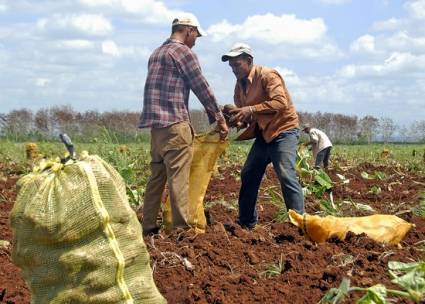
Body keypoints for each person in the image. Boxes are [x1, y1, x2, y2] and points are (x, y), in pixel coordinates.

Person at [139, 15, 229, 234]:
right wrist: (219, 118)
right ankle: (181, 230)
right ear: (188, 30)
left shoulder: (156, 53)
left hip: (156, 128)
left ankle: (148, 226)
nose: (196, 40)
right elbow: (201, 87)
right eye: (196, 35)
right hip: (175, 125)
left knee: (156, 178)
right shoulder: (183, 53)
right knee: (178, 178)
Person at [222, 43, 304, 229]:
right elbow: (248, 117)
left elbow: (280, 102)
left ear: (249, 61)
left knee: (285, 173)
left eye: (237, 64)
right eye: (231, 66)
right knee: (249, 173)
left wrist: (250, 109)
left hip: (283, 131)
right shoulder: (239, 87)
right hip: (263, 135)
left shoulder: (268, 75)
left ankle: (299, 224)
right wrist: (236, 120)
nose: (234, 69)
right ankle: (246, 223)